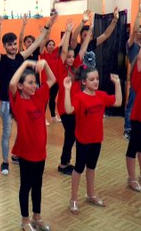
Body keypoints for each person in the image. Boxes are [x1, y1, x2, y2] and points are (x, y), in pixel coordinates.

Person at [0, 14, 57, 175]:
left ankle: (17, 154)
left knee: (23, 129)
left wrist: (48, 26)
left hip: (23, 100)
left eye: (15, 44)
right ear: (5, 46)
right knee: (7, 132)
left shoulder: (21, 57)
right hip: (7, 101)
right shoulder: (0, 59)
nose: (14, 47)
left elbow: (36, 42)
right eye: (10, 45)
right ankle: (5, 161)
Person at [65, 66, 122, 215]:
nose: (96, 81)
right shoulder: (79, 97)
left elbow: (118, 102)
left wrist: (117, 84)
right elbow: (69, 109)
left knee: (91, 167)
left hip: (97, 140)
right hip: (83, 140)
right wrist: (66, 90)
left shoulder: (101, 95)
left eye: (97, 78)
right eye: (92, 79)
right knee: (79, 169)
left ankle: (90, 195)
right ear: (83, 82)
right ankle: (73, 199)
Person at [9, 58, 56, 231]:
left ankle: (37, 217)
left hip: (40, 151)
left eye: (35, 82)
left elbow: (51, 80)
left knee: (38, 185)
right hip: (25, 152)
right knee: (26, 186)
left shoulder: (39, 96)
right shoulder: (18, 101)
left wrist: (46, 64)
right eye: (30, 83)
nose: (35, 86)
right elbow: (12, 83)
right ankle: (25, 220)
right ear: (22, 86)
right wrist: (26, 64)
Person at [55, 20, 92, 175]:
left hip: (76, 107)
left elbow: (82, 49)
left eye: (72, 56)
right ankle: (63, 164)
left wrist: (90, 32)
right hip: (65, 108)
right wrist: (68, 31)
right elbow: (63, 52)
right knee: (70, 135)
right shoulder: (60, 69)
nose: (70, 58)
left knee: (75, 135)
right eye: (68, 56)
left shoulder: (75, 68)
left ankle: (67, 162)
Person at [125, 33, 141, 192]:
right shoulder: (138, 77)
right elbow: (140, 59)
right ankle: (132, 179)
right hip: (138, 119)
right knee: (133, 148)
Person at [123, 0, 141, 141]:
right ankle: (127, 129)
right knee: (131, 105)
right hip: (135, 81)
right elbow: (134, 31)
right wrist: (140, 12)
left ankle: (138, 126)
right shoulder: (131, 45)